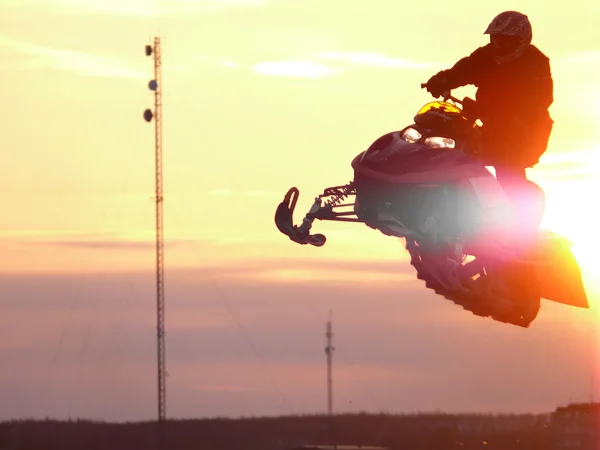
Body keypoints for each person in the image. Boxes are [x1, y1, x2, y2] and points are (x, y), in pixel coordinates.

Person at [425, 10, 553, 237]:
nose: (498, 45)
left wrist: (490, 110)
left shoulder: (536, 63)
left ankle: (519, 226)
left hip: (525, 130)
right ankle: (447, 202)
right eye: (494, 39)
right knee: (459, 147)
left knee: (507, 166)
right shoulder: (487, 56)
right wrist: (443, 79)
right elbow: (465, 68)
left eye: (505, 40)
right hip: (490, 123)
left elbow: (537, 101)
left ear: (521, 42)